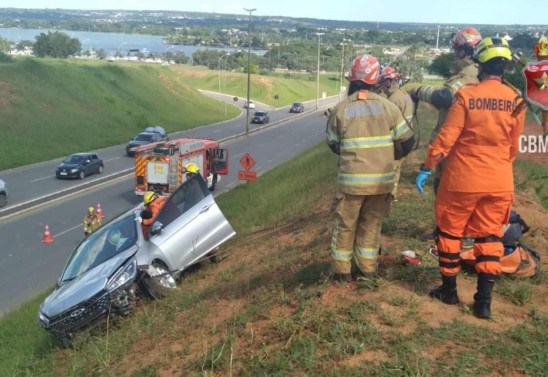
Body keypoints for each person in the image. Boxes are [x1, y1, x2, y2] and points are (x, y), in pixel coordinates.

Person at [415, 37, 526, 319]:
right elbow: (514, 146)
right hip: (499, 180)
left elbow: (446, 138)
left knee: (451, 233)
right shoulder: (516, 100)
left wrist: (428, 166)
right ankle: (483, 303)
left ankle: (449, 292)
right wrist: (499, 169)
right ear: (505, 68)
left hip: (462, 179)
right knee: (490, 237)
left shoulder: (467, 96)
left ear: (480, 65)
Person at [326, 54, 415, 282]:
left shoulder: (341, 109)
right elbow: (407, 142)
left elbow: (334, 144)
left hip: (351, 183)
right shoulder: (389, 107)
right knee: (371, 225)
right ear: (376, 80)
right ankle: (367, 270)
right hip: (381, 182)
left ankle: (341, 272)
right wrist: (388, 155)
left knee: (345, 225)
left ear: (352, 79)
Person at [410, 26, 482, 240]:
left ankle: (461, 234)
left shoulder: (471, 75)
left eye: (458, 50)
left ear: (468, 51)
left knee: (455, 191)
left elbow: (444, 97)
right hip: (452, 142)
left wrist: (417, 89)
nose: (455, 54)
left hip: (458, 144)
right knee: (442, 188)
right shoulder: (464, 73)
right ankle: (443, 229)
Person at [378, 66, 415, 201]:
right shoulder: (404, 94)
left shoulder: (392, 100)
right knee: (396, 166)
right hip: (407, 137)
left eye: (382, 82)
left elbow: (386, 123)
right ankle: (392, 194)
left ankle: (388, 195)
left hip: (398, 140)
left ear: (388, 81)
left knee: (389, 168)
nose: (381, 85)